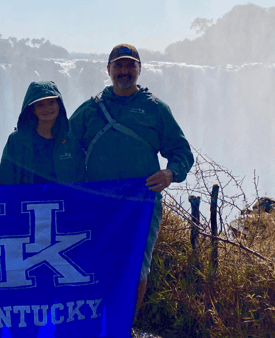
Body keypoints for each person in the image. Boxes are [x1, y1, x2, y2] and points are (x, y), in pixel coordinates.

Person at [69, 44, 194, 313]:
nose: (124, 71)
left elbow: (181, 150)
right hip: (98, 203)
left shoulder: (155, 108)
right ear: (108, 70)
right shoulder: (91, 109)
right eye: (118, 65)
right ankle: (98, 323)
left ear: (139, 69)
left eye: (130, 65)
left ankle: (125, 325)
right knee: (96, 261)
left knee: (136, 266)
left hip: (141, 203)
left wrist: (171, 172)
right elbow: (64, 145)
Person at [0, 81, 84, 185]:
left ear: (59, 105)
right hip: (25, 201)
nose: (47, 108)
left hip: (64, 200)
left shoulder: (71, 142)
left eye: (52, 102)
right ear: (32, 109)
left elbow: (81, 181)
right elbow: (5, 180)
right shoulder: (16, 141)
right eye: (40, 105)